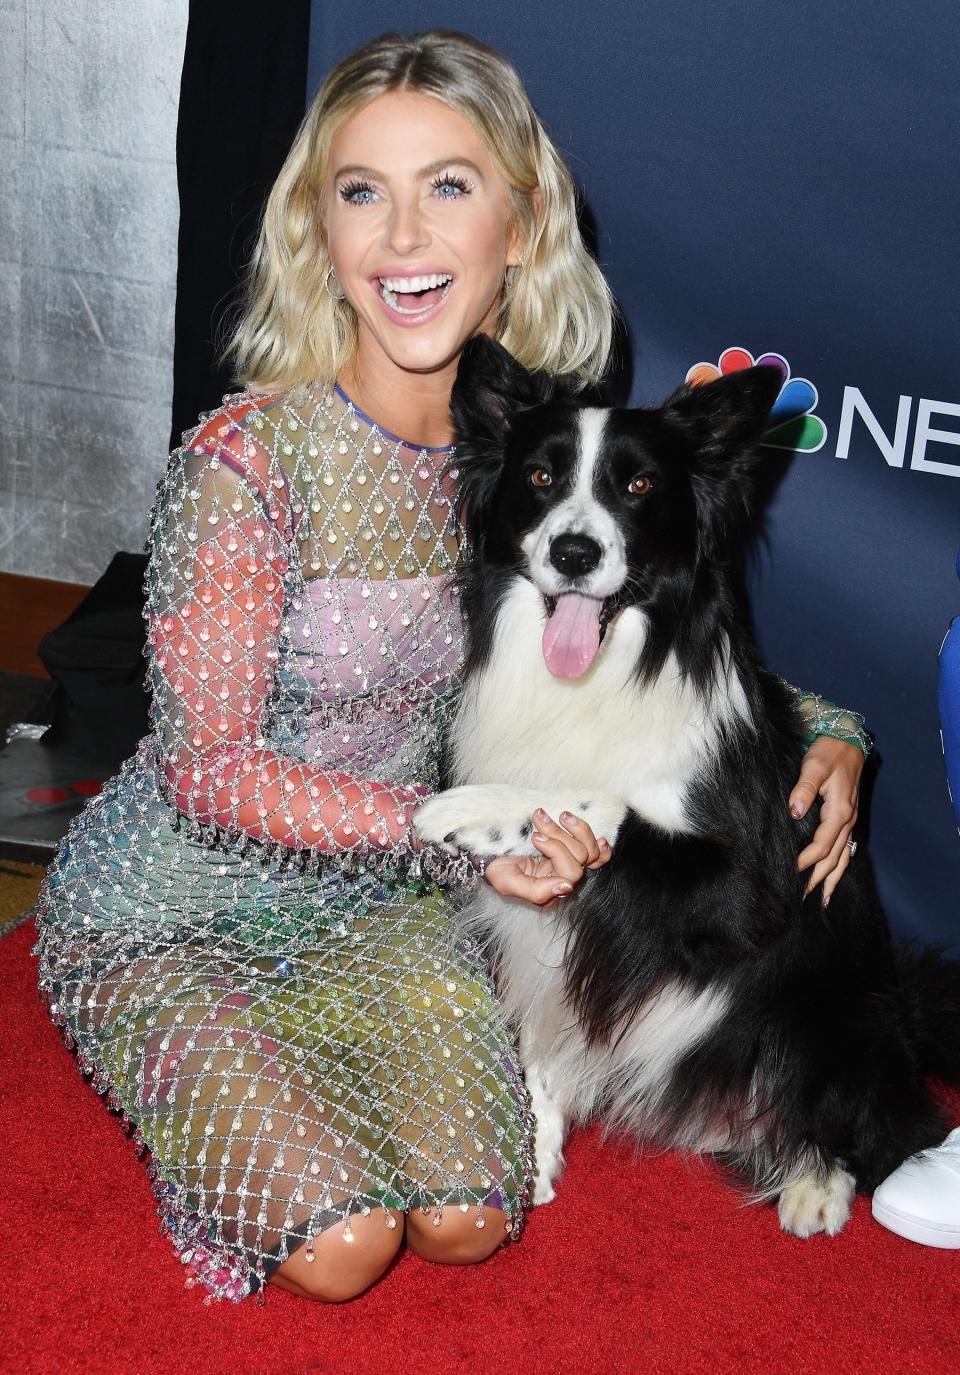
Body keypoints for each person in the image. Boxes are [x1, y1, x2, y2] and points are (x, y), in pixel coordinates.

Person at [34, 29, 869, 1306]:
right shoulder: (249, 463)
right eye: (363, 191)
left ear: (522, 226)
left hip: (392, 909)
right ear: (322, 230)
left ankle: (317, 1074)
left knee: (471, 1223)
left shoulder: (531, 453)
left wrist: (833, 730)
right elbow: (208, 771)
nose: (405, 236)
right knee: (340, 1248)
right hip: (186, 905)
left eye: (450, 187)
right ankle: (203, 1073)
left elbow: (661, 643)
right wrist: (467, 830)